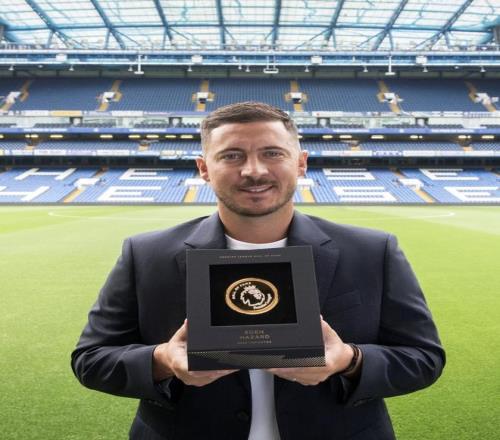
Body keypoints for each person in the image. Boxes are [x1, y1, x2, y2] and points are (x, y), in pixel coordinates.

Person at [72, 101, 445, 440]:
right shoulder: (146, 254)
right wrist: (161, 361)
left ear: (301, 162)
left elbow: (423, 358)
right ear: (204, 168)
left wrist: (350, 360)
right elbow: (91, 359)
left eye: (272, 153)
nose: (254, 170)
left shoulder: (372, 251)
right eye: (232, 155)